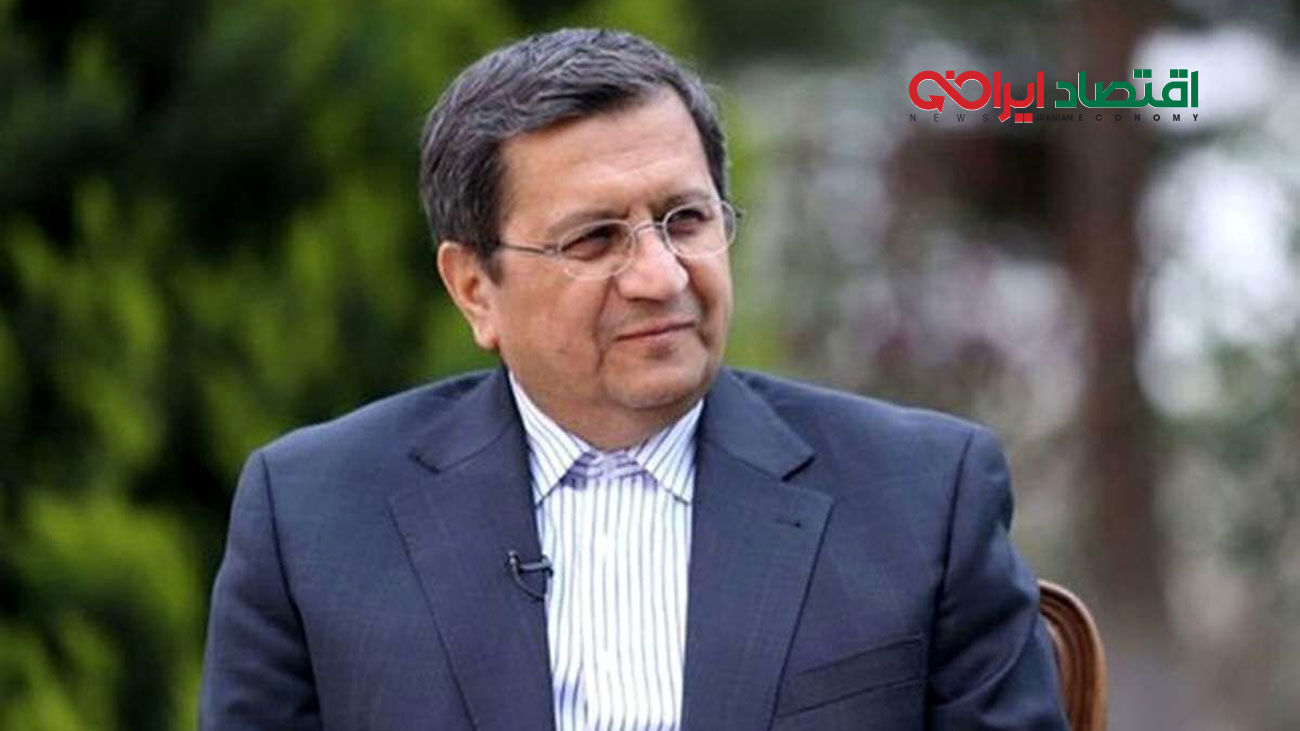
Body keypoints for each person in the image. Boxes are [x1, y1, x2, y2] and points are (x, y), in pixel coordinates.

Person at [199, 28, 1068, 731]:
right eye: (595, 239)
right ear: (475, 289)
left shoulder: (924, 497)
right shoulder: (313, 516)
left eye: (685, 219)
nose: (661, 274)